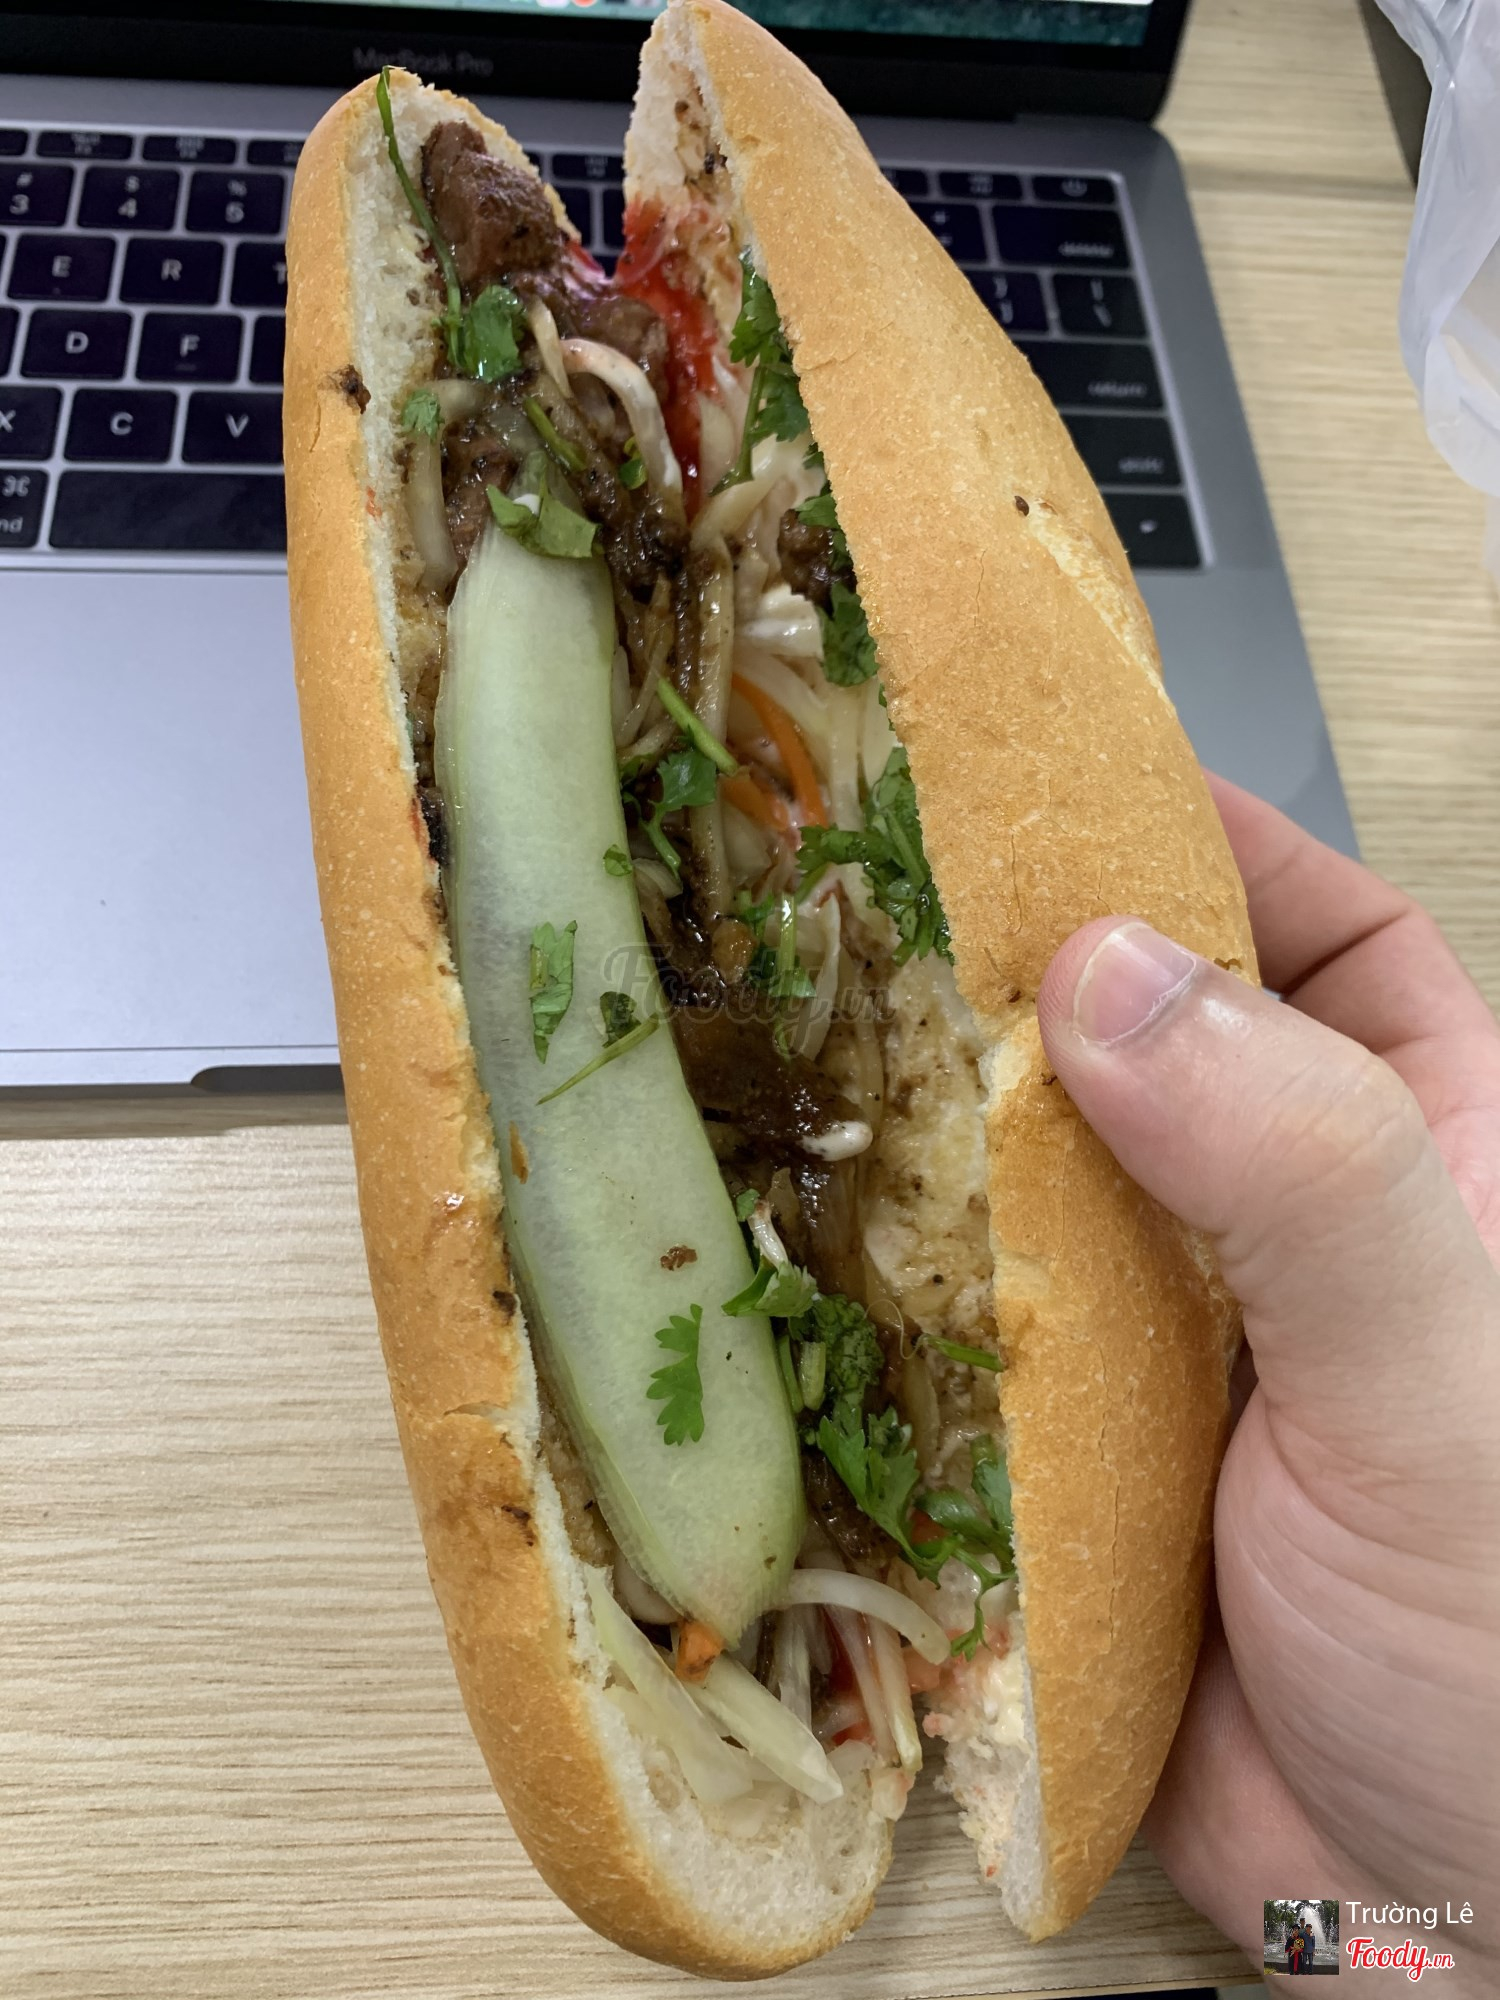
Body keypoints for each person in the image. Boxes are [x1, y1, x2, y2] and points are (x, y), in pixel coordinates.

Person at [1035, 776, 1500, 1996]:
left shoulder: (1370, 1936)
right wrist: (1443, 1966)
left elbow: (1391, 1953)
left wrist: (1437, 1962)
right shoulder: (1390, 1943)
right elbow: (1403, 1957)